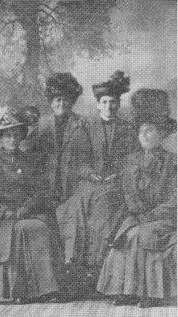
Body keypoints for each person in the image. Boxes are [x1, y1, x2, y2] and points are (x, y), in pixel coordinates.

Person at [56, 71, 139, 296]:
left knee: (104, 212)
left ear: (118, 104)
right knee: (75, 210)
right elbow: (78, 160)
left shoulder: (128, 130)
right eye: (105, 102)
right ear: (98, 105)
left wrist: (118, 175)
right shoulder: (86, 127)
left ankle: (101, 276)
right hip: (89, 183)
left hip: (116, 185)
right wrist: (90, 173)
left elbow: (133, 161)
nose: (109, 106)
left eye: (113, 102)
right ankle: (77, 275)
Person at [97, 88, 177, 308]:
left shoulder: (173, 162)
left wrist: (150, 215)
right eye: (141, 131)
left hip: (166, 219)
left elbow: (175, 199)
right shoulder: (131, 161)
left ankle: (150, 293)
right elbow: (128, 192)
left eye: (150, 130)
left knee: (141, 234)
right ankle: (125, 289)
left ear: (160, 133)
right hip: (139, 215)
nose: (144, 135)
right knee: (124, 234)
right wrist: (138, 211)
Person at [0, 106, 62, 304]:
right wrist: (4, 211)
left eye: (16, 135)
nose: (12, 140)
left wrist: (25, 208)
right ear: (0, 137)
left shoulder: (30, 162)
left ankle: (45, 290)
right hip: (2, 218)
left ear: (21, 136)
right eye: (8, 136)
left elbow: (41, 191)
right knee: (25, 228)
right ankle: (19, 291)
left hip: (26, 213)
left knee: (40, 226)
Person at [35, 72, 91, 203]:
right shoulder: (42, 123)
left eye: (66, 99)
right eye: (58, 99)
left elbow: (87, 157)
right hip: (46, 184)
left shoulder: (82, 124)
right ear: (51, 102)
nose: (62, 103)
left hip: (73, 185)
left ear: (72, 101)